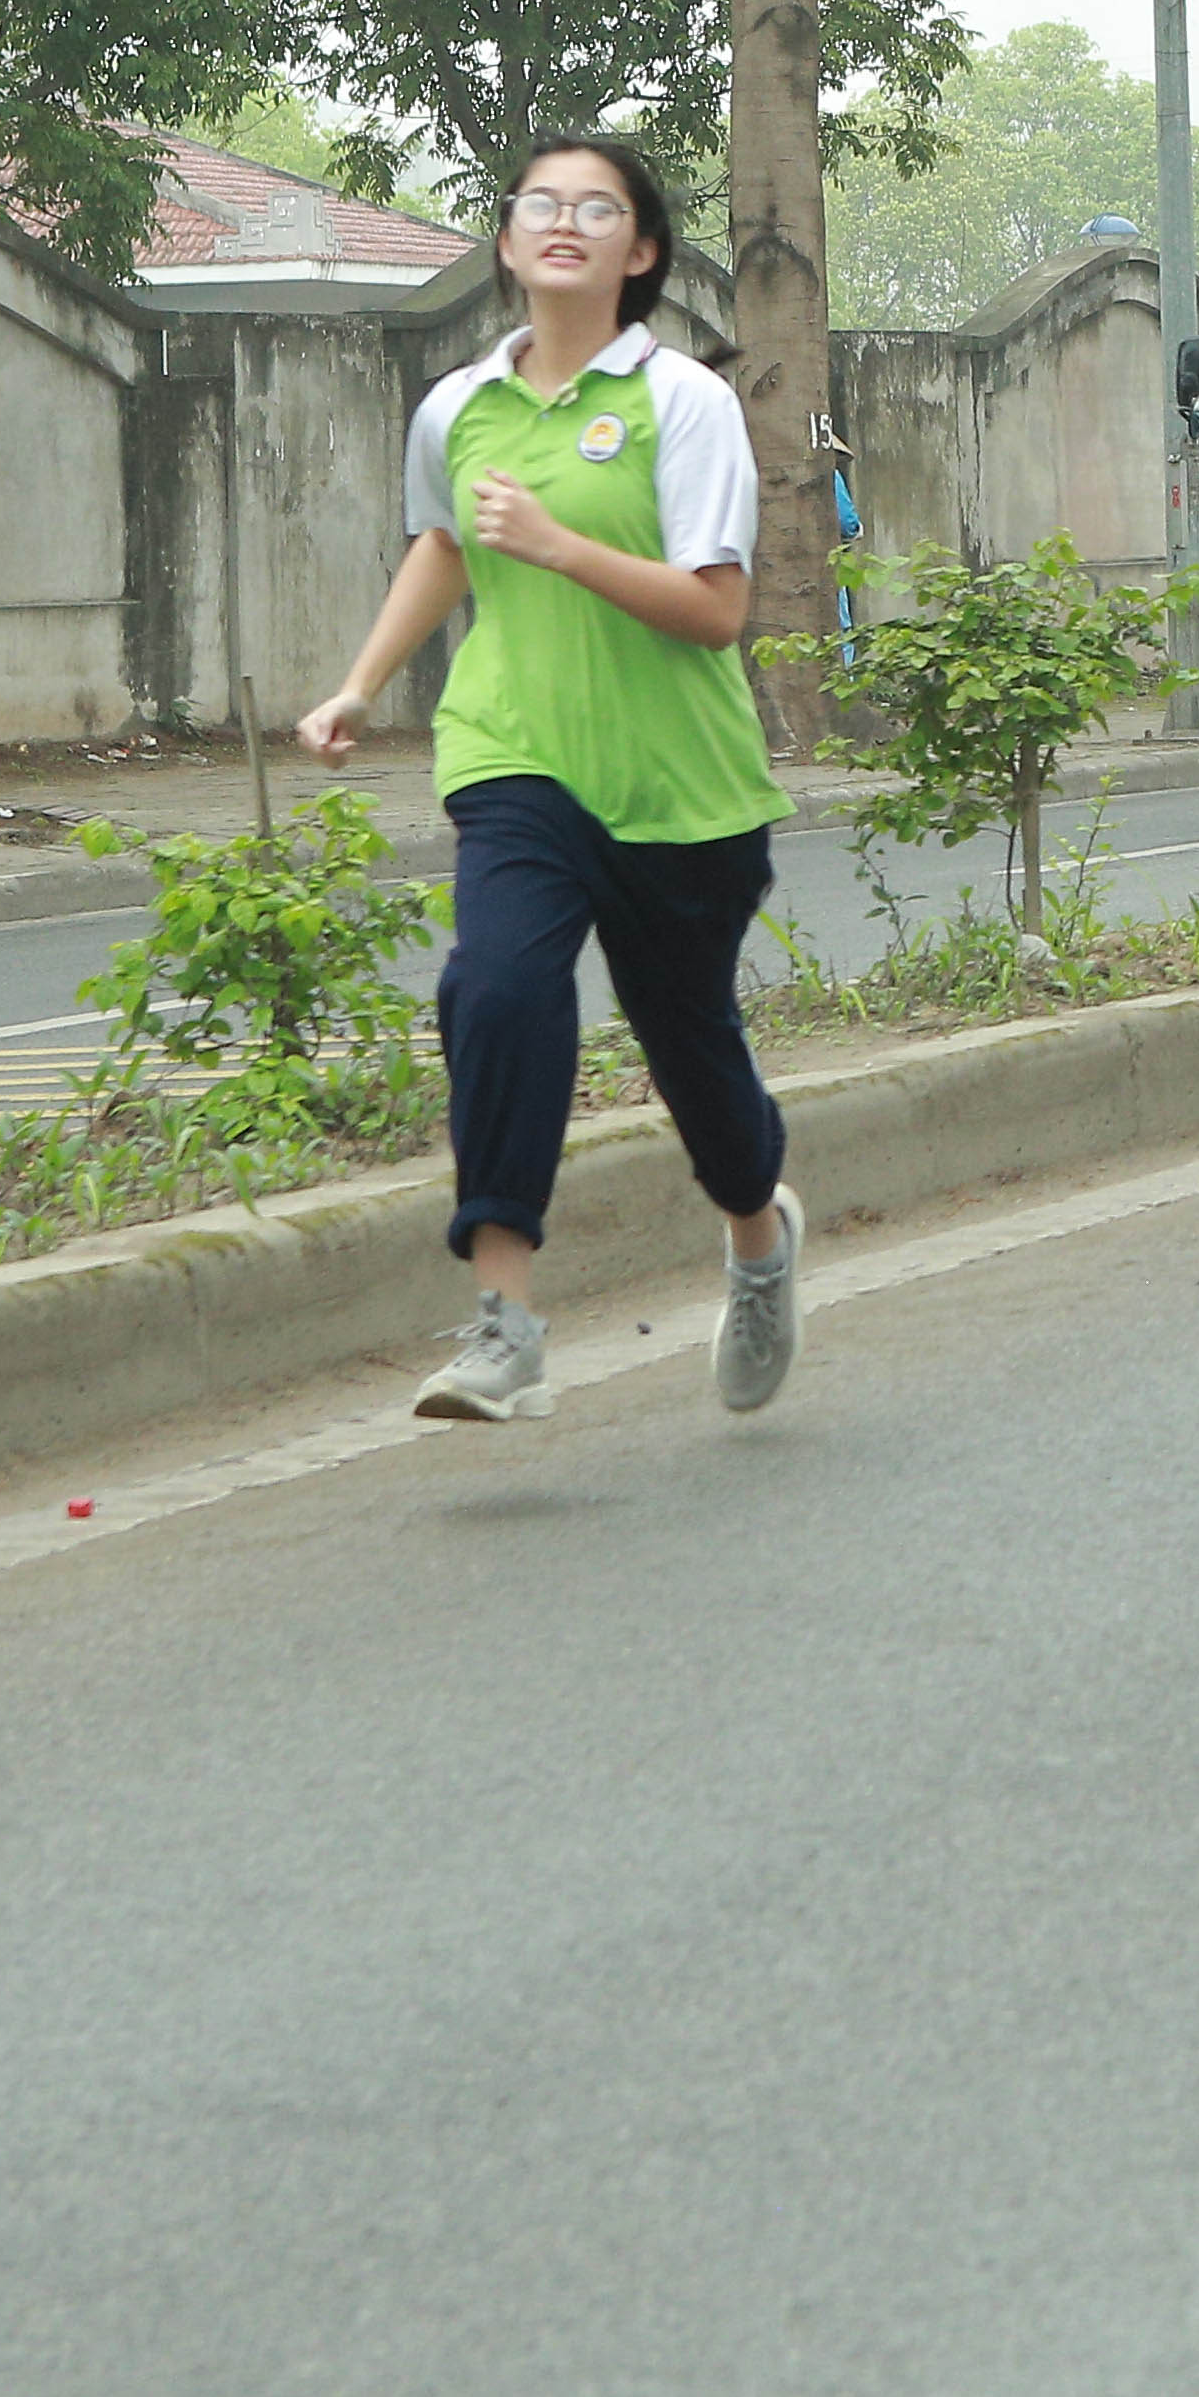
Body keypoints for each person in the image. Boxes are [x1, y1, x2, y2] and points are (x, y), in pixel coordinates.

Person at [291, 137, 811, 1431]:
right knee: (499, 988)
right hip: (514, 752)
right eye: (541, 204)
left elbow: (715, 611)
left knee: (694, 1057)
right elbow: (445, 546)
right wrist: (361, 683)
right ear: (508, 242)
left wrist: (561, 543)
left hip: (680, 785)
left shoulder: (680, 401)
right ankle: (504, 1323)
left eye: (599, 207)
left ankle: (758, 1239)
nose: (565, 221)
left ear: (643, 250)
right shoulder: (458, 409)